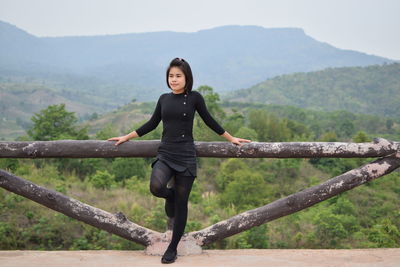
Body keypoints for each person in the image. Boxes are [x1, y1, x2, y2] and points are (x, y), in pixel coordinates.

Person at [108, 58, 251, 264]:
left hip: (185, 154)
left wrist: (231, 138)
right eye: (171, 76)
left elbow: (210, 120)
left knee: (182, 204)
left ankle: (173, 248)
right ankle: (169, 196)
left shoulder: (194, 98)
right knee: (156, 187)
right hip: (166, 152)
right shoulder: (163, 98)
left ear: (186, 78)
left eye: (178, 76)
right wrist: (126, 137)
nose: (173, 80)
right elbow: (151, 123)